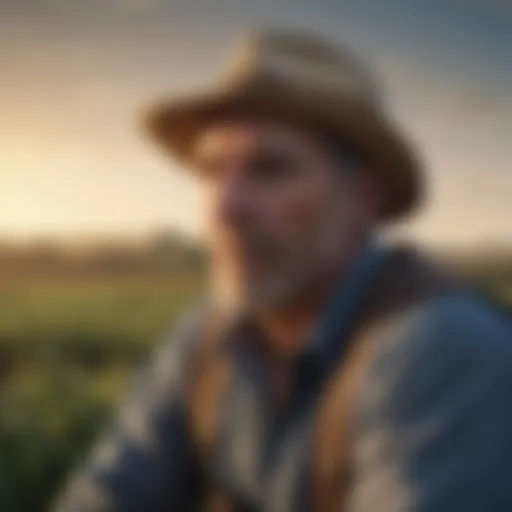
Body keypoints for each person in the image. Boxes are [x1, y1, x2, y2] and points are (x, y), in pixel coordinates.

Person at [53, 29, 512, 512]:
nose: (225, 207)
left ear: (364, 197)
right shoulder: (208, 338)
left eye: (269, 169)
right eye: (212, 172)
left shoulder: (442, 350)